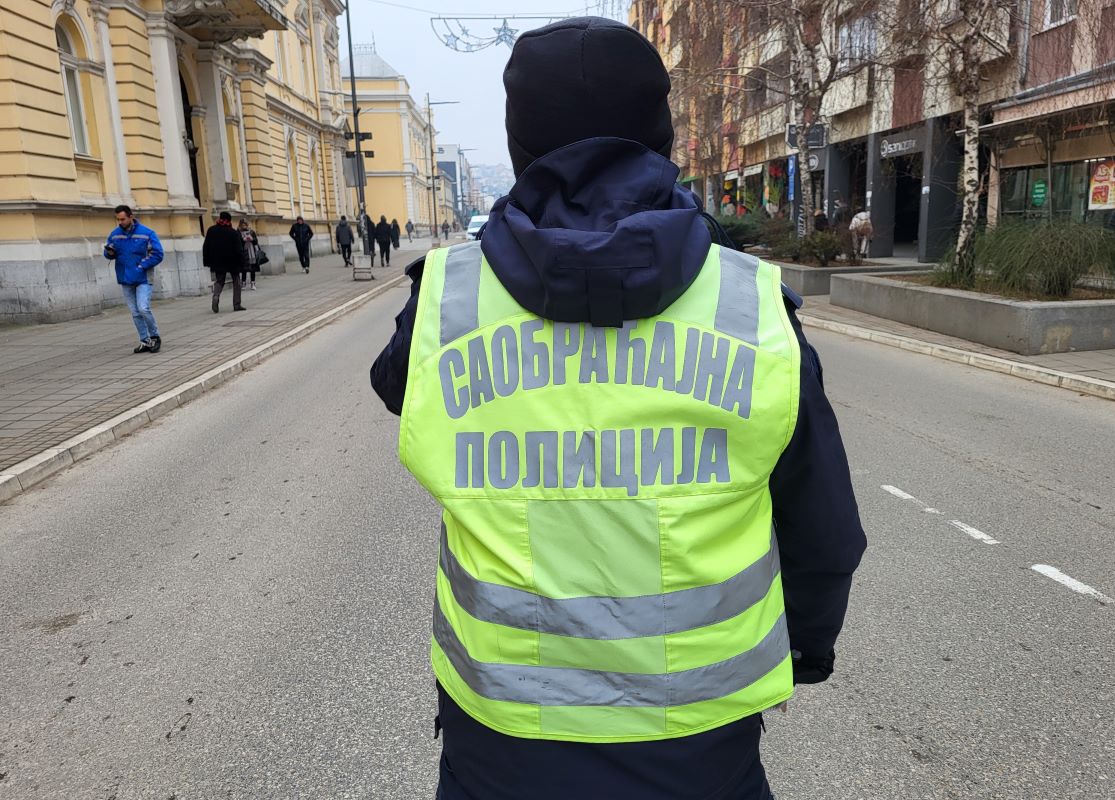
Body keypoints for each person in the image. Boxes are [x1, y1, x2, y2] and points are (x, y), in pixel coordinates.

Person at [369, 17, 865, 800]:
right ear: (660, 134)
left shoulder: (446, 301)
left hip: (502, 743)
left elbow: (396, 387)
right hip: (701, 744)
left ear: (520, 143)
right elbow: (823, 524)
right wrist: (807, 646)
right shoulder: (749, 305)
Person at [104, 204, 164, 353]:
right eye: (118, 219)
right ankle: (145, 340)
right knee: (135, 312)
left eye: (123, 219)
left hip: (143, 277)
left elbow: (158, 254)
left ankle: (155, 336)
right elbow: (108, 253)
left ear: (131, 217)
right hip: (125, 277)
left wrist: (142, 265)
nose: (120, 222)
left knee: (143, 308)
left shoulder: (147, 233)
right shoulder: (115, 234)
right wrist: (109, 253)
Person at [204, 211, 246, 313]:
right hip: (233, 261)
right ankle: (237, 304)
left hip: (217, 261)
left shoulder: (211, 230)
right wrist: (242, 261)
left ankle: (216, 296)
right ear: (229, 220)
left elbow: (206, 246)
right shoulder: (233, 233)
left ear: (220, 218)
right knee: (236, 281)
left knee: (219, 281)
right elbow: (239, 249)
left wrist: (207, 260)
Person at [237, 219, 261, 290]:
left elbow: (256, 241)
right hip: (244, 253)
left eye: (245, 224)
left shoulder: (251, 231)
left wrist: (252, 239)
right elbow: (237, 242)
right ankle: (243, 283)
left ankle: (253, 283)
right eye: (242, 225)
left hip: (252, 253)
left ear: (247, 225)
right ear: (240, 225)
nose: (244, 226)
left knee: (252, 268)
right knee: (244, 269)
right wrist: (243, 240)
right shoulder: (238, 232)